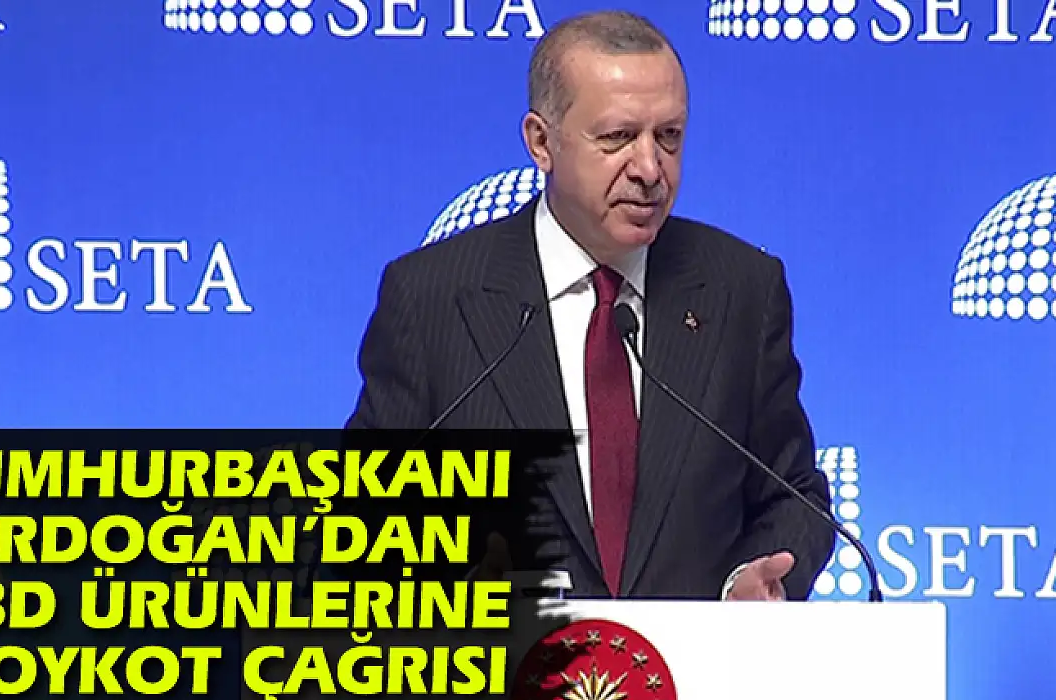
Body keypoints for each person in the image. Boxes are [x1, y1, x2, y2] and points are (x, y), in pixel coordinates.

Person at [346, 10, 834, 601]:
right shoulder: (433, 297)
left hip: (693, 660)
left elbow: (794, 493)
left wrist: (750, 584)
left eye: (669, 136)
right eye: (618, 138)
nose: (650, 169)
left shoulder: (742, 289)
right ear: (541, 142)